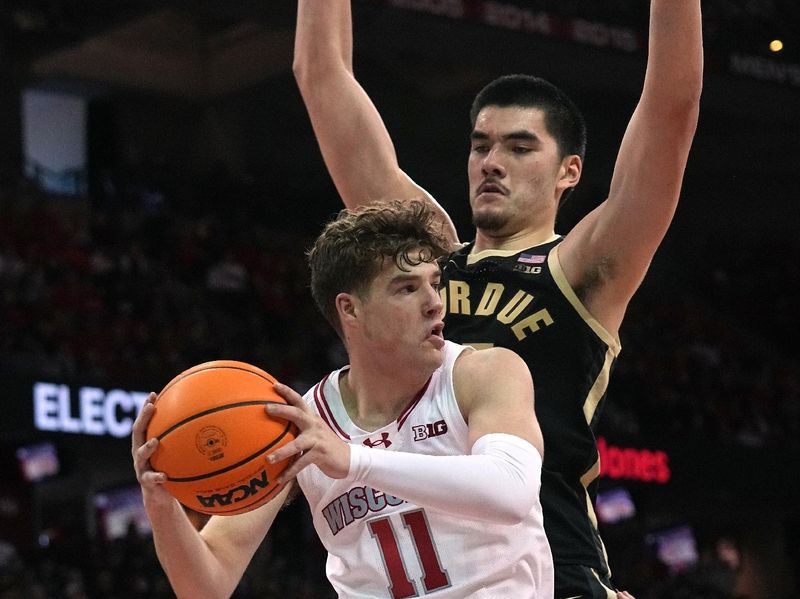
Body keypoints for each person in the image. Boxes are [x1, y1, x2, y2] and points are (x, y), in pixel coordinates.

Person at [292, 1, 703, 596]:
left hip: (550, 564)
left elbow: (672, 105)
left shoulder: (580, 267)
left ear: (568, 171)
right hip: (435, 570)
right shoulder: (422, 256)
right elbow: (320, 73)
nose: (491, 163)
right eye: (480, 145)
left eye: (518, 147)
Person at [132, 200, 555, 598]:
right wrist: (162, 505)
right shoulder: (297, 424)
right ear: (350, 310)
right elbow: (206, 585)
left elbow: (512, 491)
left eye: (435, 284)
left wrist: (354, 460)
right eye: (406, 289)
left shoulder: (483, 373)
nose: (434, 304)